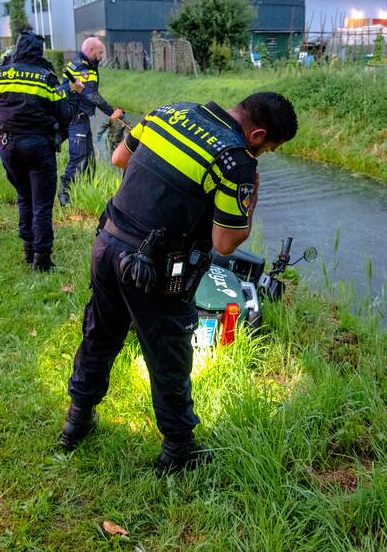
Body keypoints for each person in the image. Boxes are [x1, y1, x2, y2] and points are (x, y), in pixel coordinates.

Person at [61, 92, 298, 476]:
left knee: (100, 333)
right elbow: (225, 242)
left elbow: (120, 159)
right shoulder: (236, 160)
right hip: (154, 268)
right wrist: (249, 195)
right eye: (268, 148)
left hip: (107, 242)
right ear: (257, 135)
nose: (262, 154)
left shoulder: (169, 110)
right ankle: (178, 449)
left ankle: (76, 421)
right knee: (169, 356)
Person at [0, 30, 78, 269]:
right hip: (38, 147)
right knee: (42, 203)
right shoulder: (45, 77)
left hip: (7, 145)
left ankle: (28, 251)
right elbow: (64, 113)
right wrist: (74, 93)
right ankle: (42, 259)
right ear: (38, 51)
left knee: (24, 197)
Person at [58, 37, 124, 206]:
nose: (101, 56)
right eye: (100, 52)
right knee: (79, 156)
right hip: (75, 117)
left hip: (83, 116)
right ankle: (64, 192)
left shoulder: (87, 65)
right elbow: (89, 94)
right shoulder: (82, 67)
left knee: (89, 157)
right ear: (90, 50)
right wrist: (111, 112)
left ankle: (89, 189)